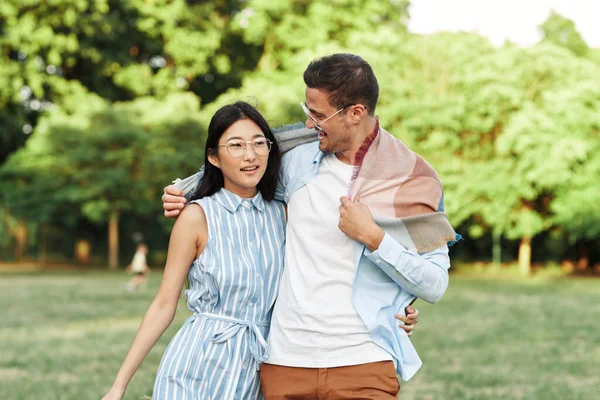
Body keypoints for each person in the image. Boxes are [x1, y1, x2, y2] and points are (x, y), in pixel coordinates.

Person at [163, 54, 457, 399]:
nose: (307, 124)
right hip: (285, 362)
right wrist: (184, 191)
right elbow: (238, 166)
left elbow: (434, 283)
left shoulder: (412, 180)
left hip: (364, 362)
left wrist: (375, 239)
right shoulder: (296, 160)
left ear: (356, 112)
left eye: (318, 115)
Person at [101, 101, 286, 400]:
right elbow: (163, 305)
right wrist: (119, 386)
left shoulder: (283, 214)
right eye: (235, 145)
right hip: (196, 370)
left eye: (258, 144)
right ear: (213, 157)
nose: (250, 155)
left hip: (258, 372)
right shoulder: (196, 217)